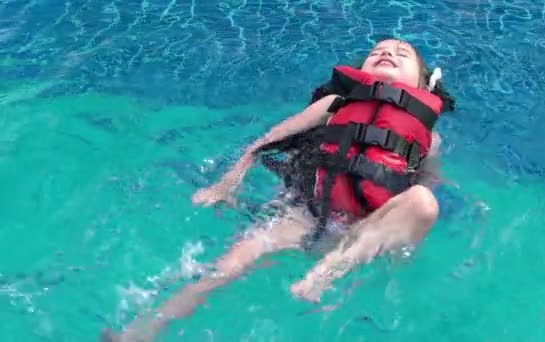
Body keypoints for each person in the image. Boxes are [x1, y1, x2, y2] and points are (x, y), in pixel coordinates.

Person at [102, 38, 456, 342]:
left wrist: (396, 235)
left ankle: (327, 273)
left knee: (424, 203)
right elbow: (270, 139)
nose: (388, 53)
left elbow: (425, 183)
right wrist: (226, 184)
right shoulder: (336, 106)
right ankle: (142, 331)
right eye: (378, 50)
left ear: (423, 85)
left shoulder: (428, 136)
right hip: (306, 214)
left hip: (366, 227)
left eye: (401, 53)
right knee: (227, 265)